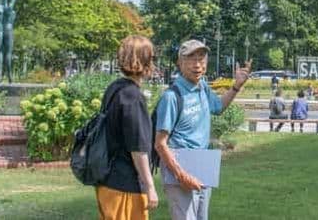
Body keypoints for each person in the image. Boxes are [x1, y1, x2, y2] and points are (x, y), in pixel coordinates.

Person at [154, 39, 251, 220]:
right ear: (180, 63)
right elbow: (160, 144)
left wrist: (236, 86)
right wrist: (181, 175)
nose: (197, 64)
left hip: (202, 166)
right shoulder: (171, 97)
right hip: (180, 169)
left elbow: (218, 107)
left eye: (201, 58)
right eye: (191, 59)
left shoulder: (202, 87)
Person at [96, 35, 159, 220]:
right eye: (152, 57)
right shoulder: (133, 96)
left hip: (107, 179)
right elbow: (137, 149)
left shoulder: (114, 88)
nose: (154, 63)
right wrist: (150, 186)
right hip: (125, 184)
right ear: (145, 61)